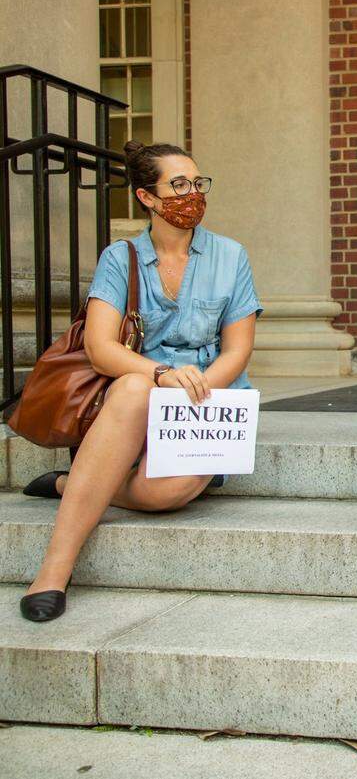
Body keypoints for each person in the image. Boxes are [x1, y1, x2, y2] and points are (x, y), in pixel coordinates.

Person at [18, 140, 262, 621]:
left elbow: (238, 350)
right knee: (132, 387)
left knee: (164, 493)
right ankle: (53, 570)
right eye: (178, 184)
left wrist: (199, 389)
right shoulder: (120, 257)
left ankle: (75, 483)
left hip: (208, 398)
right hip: (139, 396)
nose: (192, 193)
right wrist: (162, 374)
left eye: (197, 182)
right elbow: (101, 348)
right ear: (147, 197)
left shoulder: (231, 256)